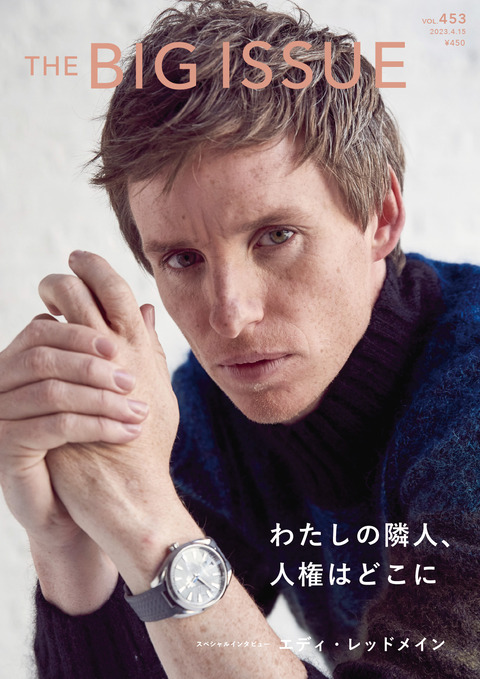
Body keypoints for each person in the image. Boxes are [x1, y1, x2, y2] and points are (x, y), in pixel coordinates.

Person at [0, 0, 479, 677]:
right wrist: (69, 545)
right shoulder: (209, 412)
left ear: (381, 217)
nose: (229, 316)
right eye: (182, 259)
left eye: (276, 236)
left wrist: (146, 521)